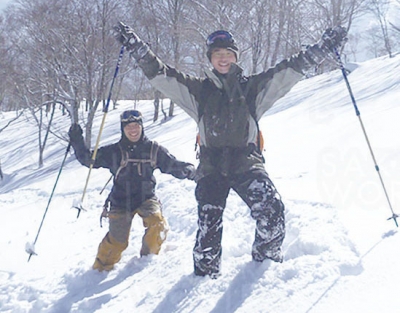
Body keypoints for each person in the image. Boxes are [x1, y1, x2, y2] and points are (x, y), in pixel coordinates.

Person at [113, 24, 347, 278]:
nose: (223, 58)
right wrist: (138, 49)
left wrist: (322, 48)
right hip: (211, 166)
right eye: (217, 54)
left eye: (227, 53)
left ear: (235, 57)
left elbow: (288, 71)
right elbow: (162, 76)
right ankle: (204, 275)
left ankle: (263, 266)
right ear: (211, 59)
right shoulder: (199, 91)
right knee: (209, 225)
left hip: (246, 162)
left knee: (272, 209)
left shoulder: (252, 88)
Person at [68, 109, 196, 271]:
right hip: (121, 201)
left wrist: (188, 170)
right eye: (128, 127)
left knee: (157, 224)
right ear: (123, 129)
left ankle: (148, 260)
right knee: (118, 242)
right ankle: (99, 270)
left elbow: (172, 164)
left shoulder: (153, 149)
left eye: (136, 125)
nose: (133, 130)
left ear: (142, 127)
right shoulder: (114, 151)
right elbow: (89, 159)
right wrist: (77, 140)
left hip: (146, 198)